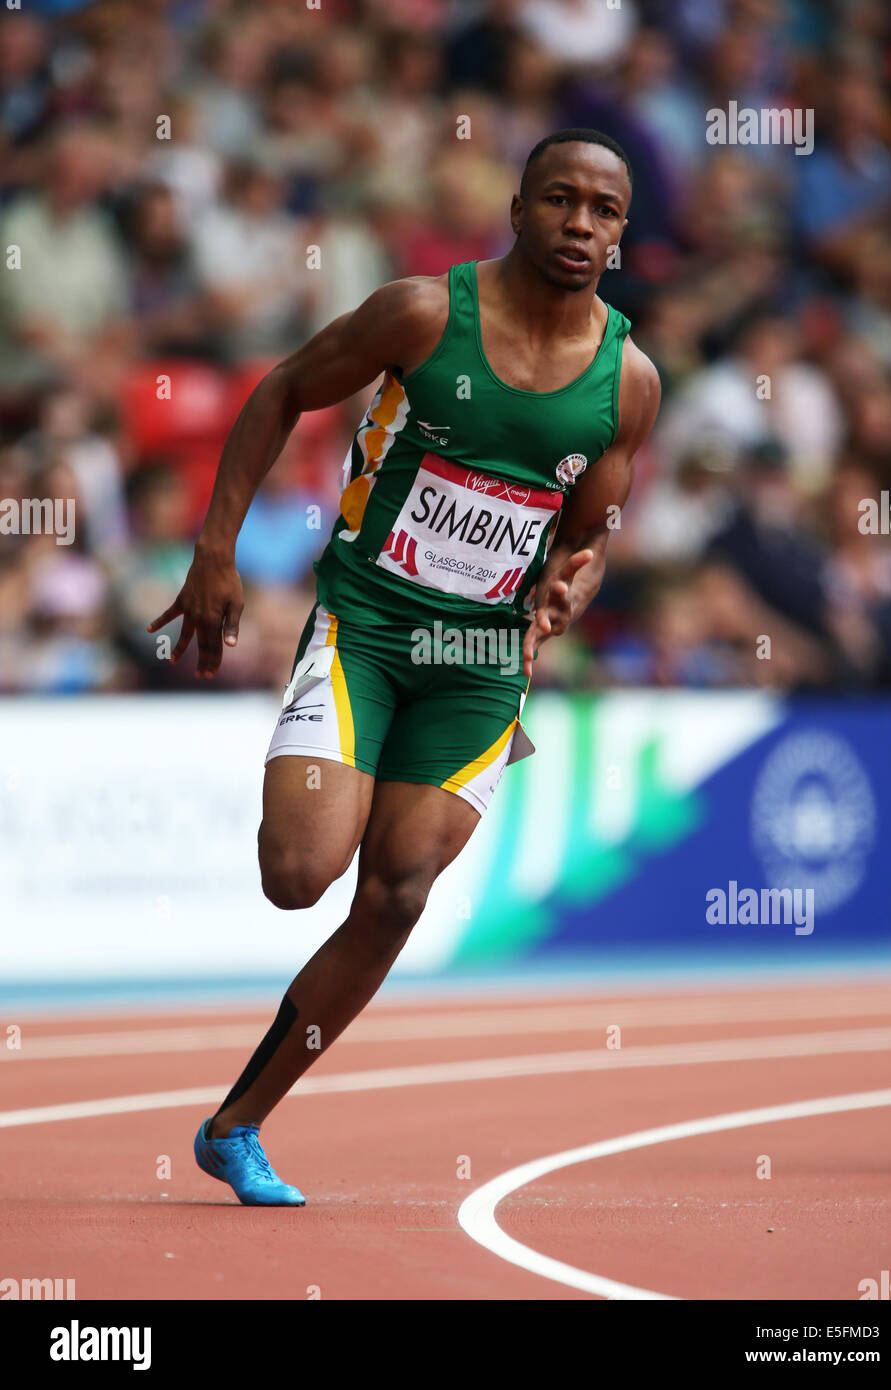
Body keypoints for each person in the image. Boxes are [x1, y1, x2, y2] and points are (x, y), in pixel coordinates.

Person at [148, 128, 660, 1205]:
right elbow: (286, 386)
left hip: (478, 663)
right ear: (517, 210)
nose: (579, 223)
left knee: (400, 889)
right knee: (297, 874)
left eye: (602, 209)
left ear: (621, 231)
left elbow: (590, 532)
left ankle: (236, 1127)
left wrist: (575, 582)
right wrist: (215, 547)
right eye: (558, 200)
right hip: (370, 627)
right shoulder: (425, 314)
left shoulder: (631, 380)